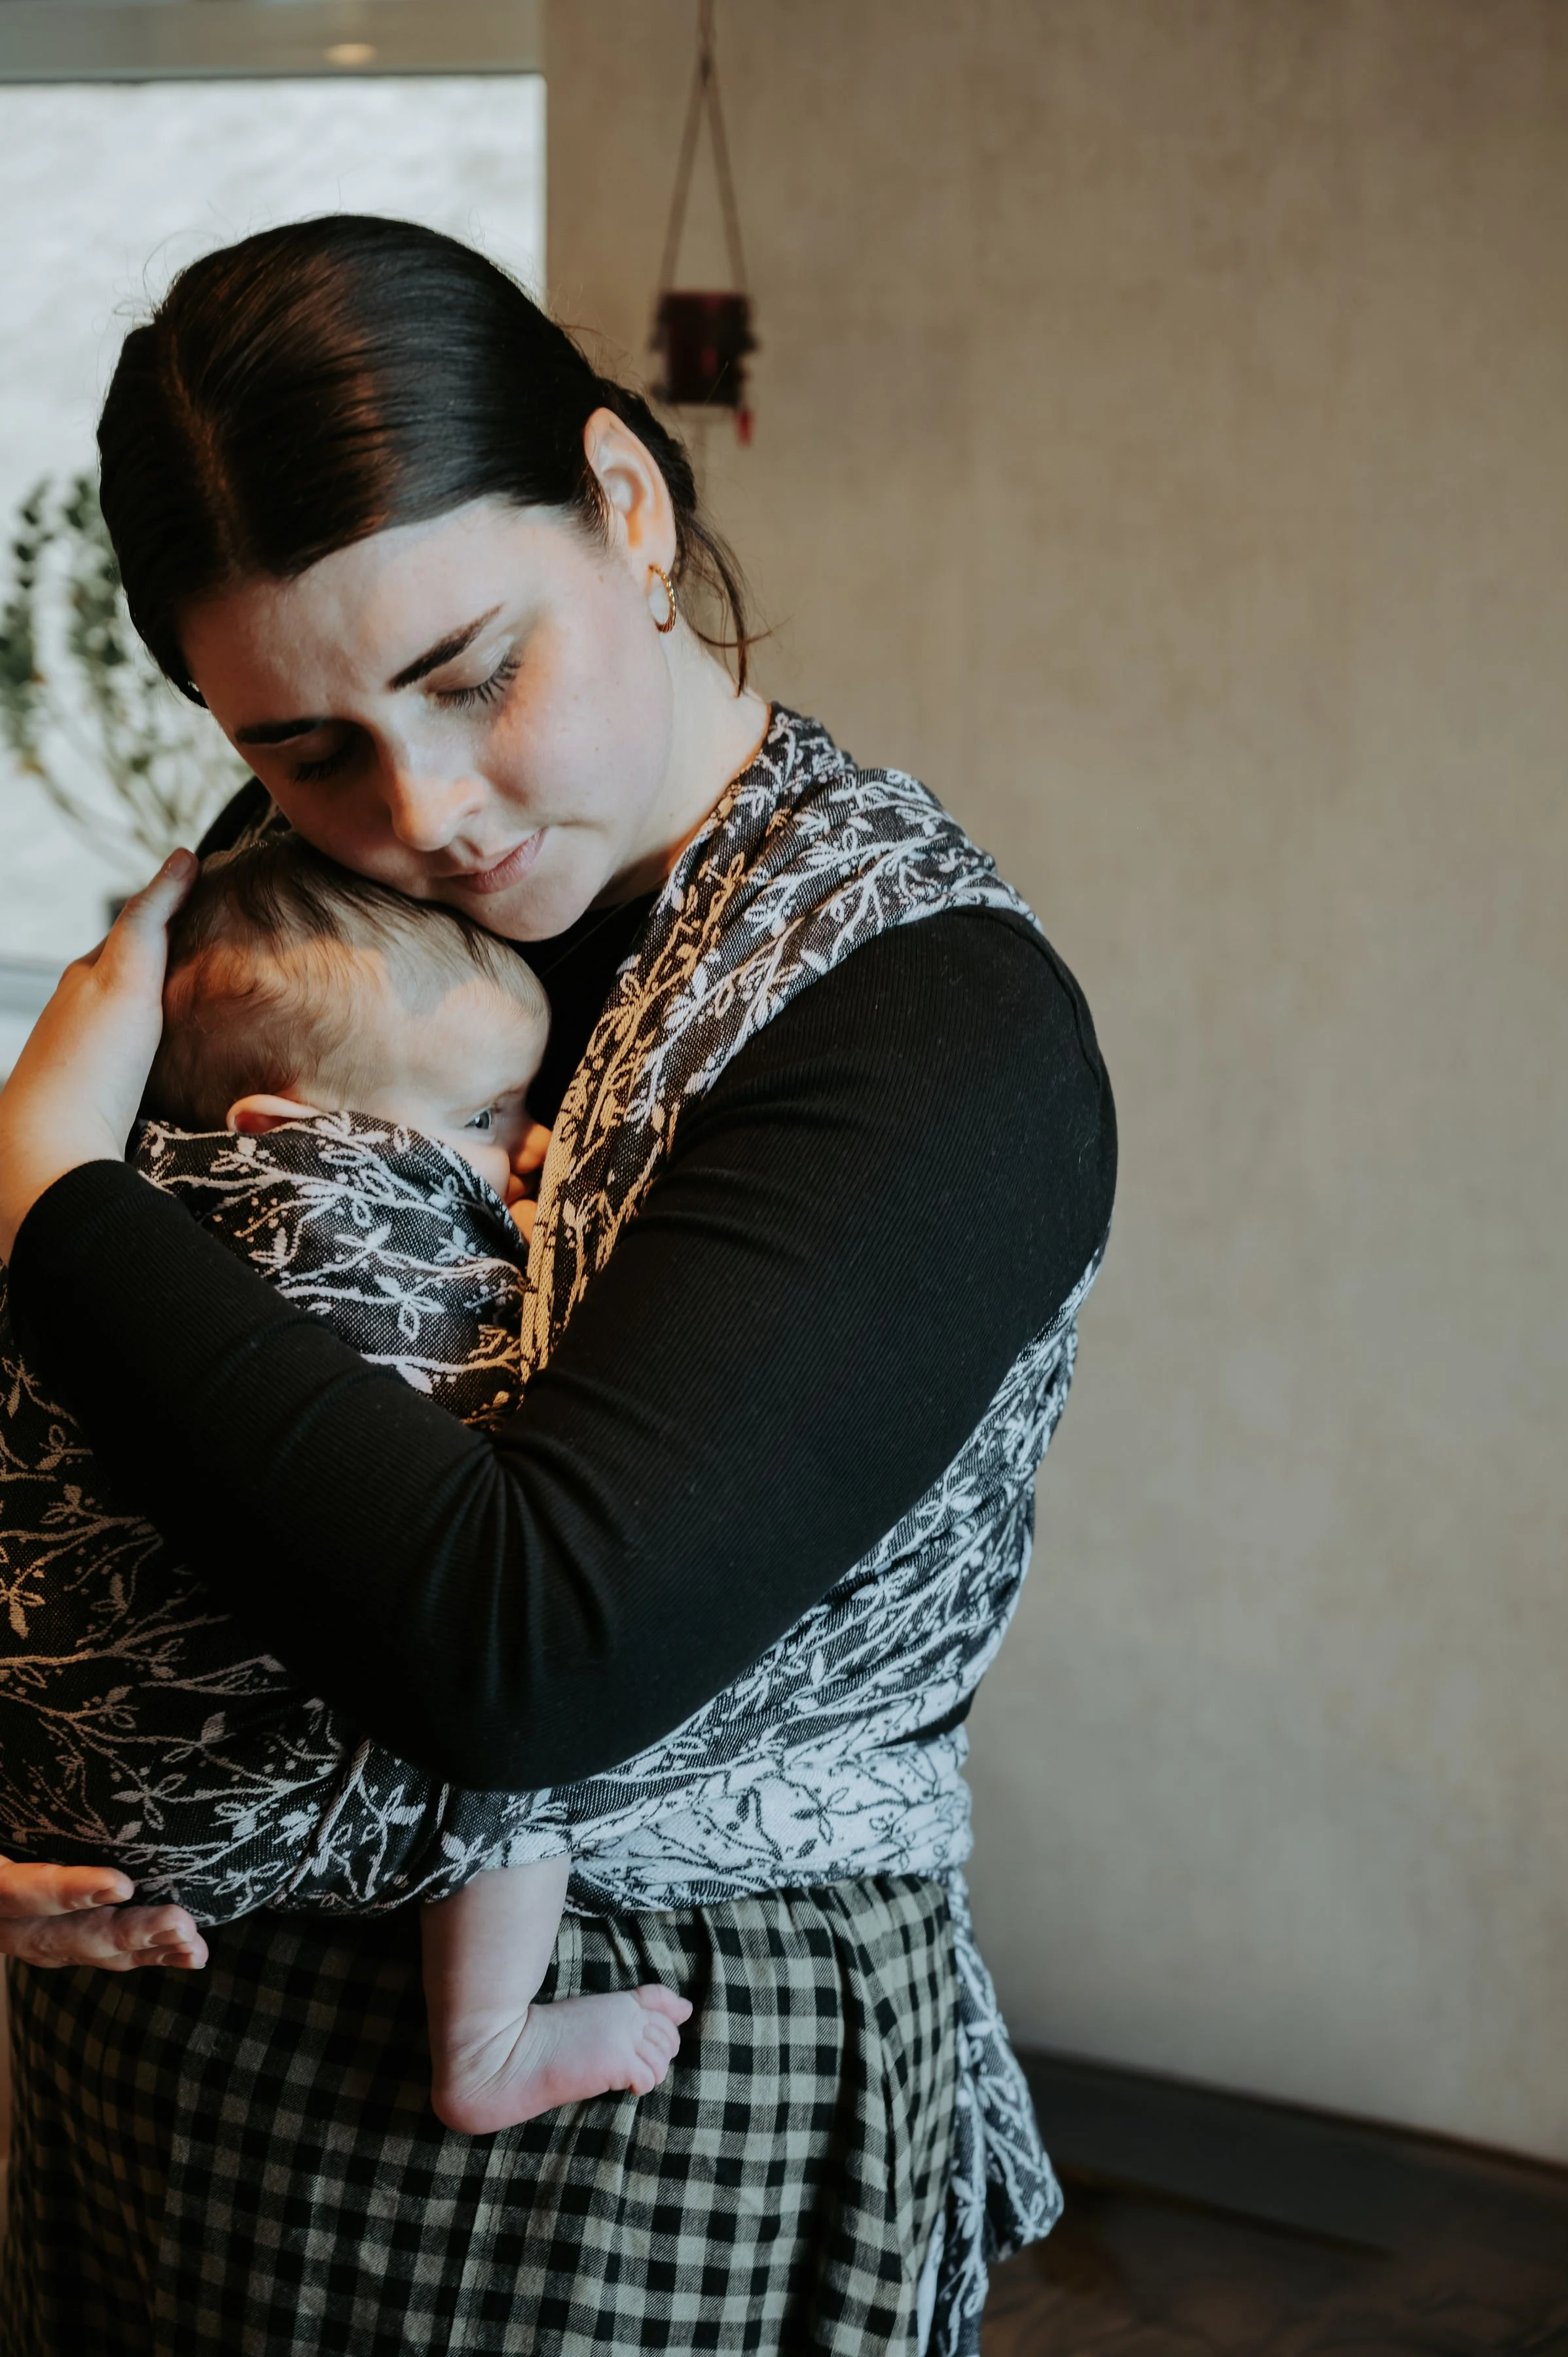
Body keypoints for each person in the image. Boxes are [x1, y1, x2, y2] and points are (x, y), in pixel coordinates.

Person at [0, 215, 1116, 2356]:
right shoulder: (294, 950)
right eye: (305, 745)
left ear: (624, 500)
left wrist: (49, 1193)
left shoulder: (926, 1025)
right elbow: (70, 1448)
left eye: (468, 673)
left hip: (621, 2142)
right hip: (153, 2068)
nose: (424, 814)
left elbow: (529, 1649)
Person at [0, 833, 691, 2137]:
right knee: (529, 1693)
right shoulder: (344, 1224)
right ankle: (486, 2043)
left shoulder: (108, 1218)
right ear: (287, 1133)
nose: (526, 1144)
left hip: (53, 1794)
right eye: (483, 1117)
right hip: (241, 1797)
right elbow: (500, 1444)